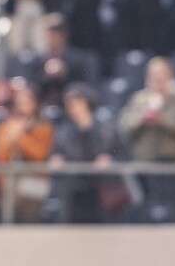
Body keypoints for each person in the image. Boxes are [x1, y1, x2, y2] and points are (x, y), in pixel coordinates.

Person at [119, 56, 175, 222]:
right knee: (146, 208)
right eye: (153, 76)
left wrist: (162, 120)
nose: (157, 80)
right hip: (145, 161)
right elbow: (125, 125)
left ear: (170, 77)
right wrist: (143, 118)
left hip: (171, 163)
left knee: (171, 209)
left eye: (161, 76)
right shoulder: (139, 99)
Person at [50, 83, 125, 224]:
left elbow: (123, 154)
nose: (72, 108)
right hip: (74, 191)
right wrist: (57, 160)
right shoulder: (64, 132)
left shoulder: (106, 130)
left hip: (101, 191)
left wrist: (109, 160)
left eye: (75, 103)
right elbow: (56, 153)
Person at [0, 79, 53, 222]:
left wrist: (21, 138)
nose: (22, 106)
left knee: (29, 222)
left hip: (34, 184)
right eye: (19, 102)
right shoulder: (5, 127)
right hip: (9, 185)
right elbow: (0, 155)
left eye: (26, 102)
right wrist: (10, 138)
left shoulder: (43, 127)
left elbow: (41, 155)